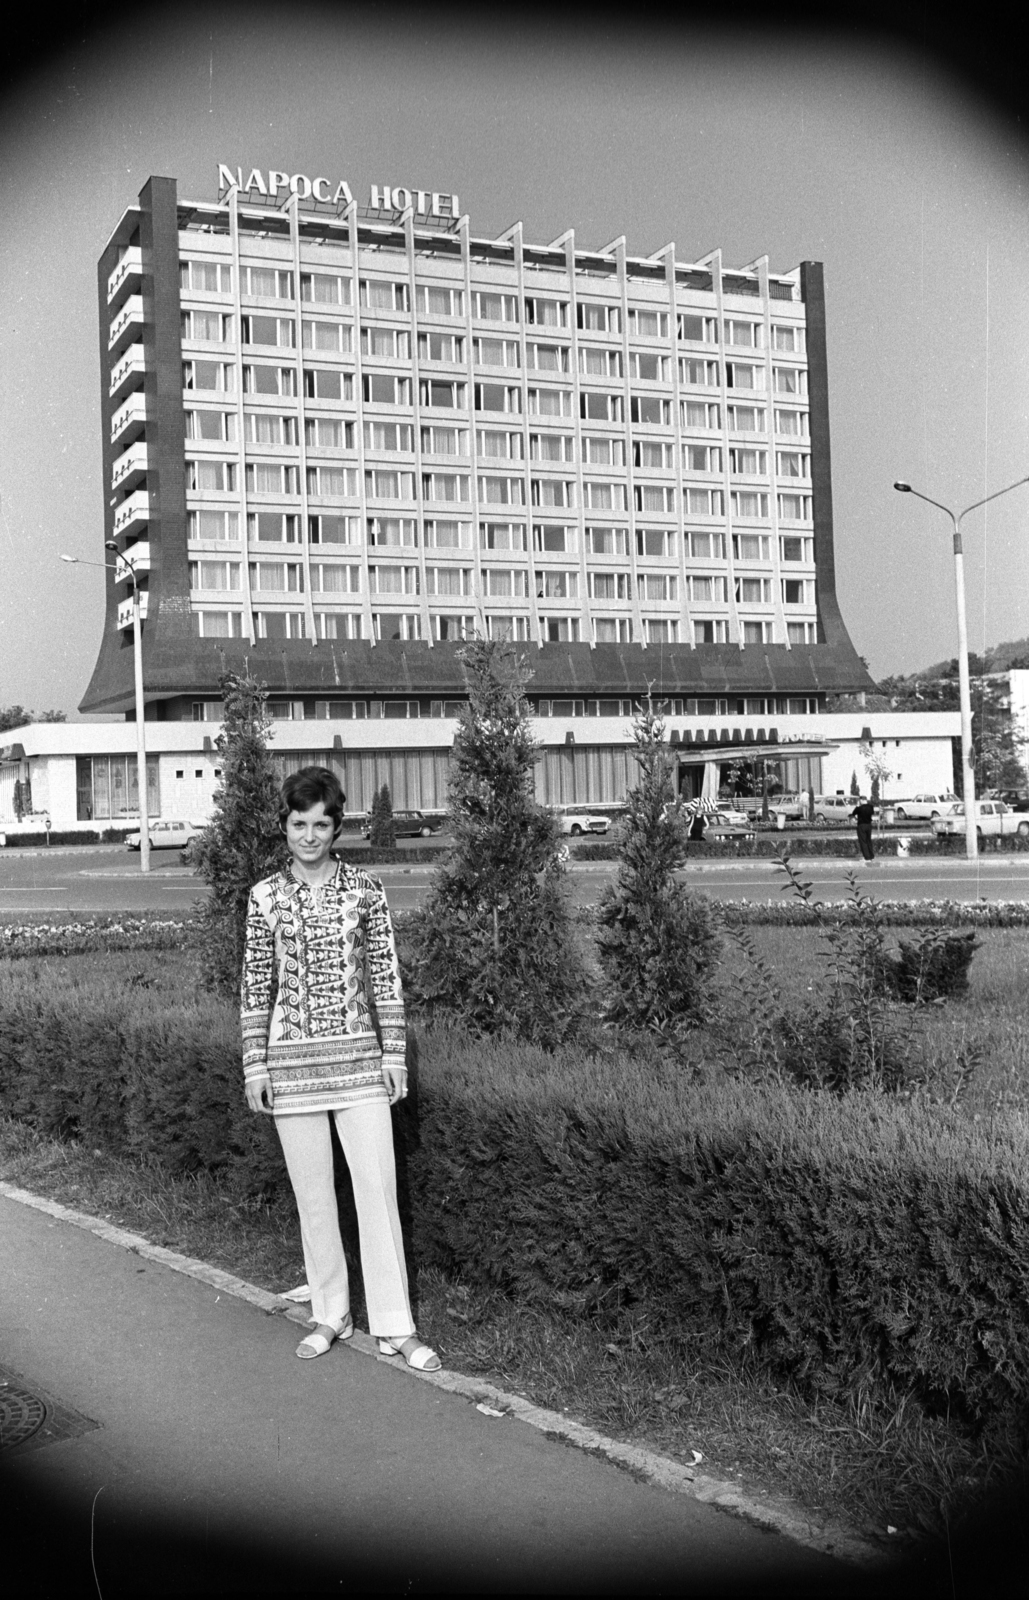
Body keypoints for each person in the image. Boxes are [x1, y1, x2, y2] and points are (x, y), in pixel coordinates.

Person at [241, 765, 440, 1370]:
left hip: (358, 1065)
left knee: (377, 1192)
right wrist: (255, 1065)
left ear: (336, 826)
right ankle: (330, 1314)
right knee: (314, 1198)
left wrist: (394, 1054)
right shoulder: (264, 898)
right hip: (291, 1068)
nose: (309, 835)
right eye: (298, 824)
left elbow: (385, 977)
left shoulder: (365, 891)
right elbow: (255, 986)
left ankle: (395, 1326)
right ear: (284, 826)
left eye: (320, 824)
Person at [850, 795, 877, 862]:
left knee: (863, 842)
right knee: (868, 841)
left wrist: (857, 805)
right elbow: (872, 813)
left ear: (861, 800)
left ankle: (867, 857)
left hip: (861, 825)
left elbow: (853, 813)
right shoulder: (871, 807)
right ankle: (871, 856)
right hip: (869, 825)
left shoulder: (860, 808)